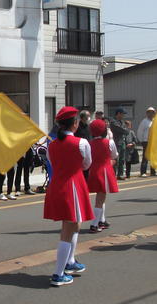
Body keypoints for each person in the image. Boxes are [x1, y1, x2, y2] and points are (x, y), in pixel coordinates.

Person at [43, 107, 93, 286]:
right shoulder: (82, 143)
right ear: (74, 124)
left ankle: (70, 261)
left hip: (58, 185)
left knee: (75, 224)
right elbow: (87, 164)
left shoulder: (52, 144)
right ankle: (58, 273)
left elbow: (52, 162)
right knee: (67, 228)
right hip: (73, 185)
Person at [86, 119, 118, 233]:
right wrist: (111, 162)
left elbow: (87, 160)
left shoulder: (89, 143)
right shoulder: (109, 142)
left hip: (94, 171)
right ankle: (94, 224)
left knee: (101, 197)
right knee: (100, 198)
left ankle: (102, 220)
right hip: (105, 171)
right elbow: (114, 156)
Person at [109, 108, 129, 180]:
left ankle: (120, 174)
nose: (123, 115)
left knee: (122, 159)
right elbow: (122, 129)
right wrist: (125, 129)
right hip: (116, 142)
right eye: (123, 114)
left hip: (122, 142)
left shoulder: (122, 122)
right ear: (119, 113)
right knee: (116, 159)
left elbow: (126, 131)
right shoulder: (113, 122)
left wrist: (125, 129)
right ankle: (113, 174)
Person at [137, 107, 156, 177]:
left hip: (154, 141)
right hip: (146, 141)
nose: (151, 114)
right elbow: (140, 131)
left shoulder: (154, 121)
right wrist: (141, 141)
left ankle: (153, 171)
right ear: (147, 113)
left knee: (153, 157)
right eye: (149, 112)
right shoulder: (144, 121)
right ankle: (143, 172)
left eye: (153, 112)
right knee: (145, 157)